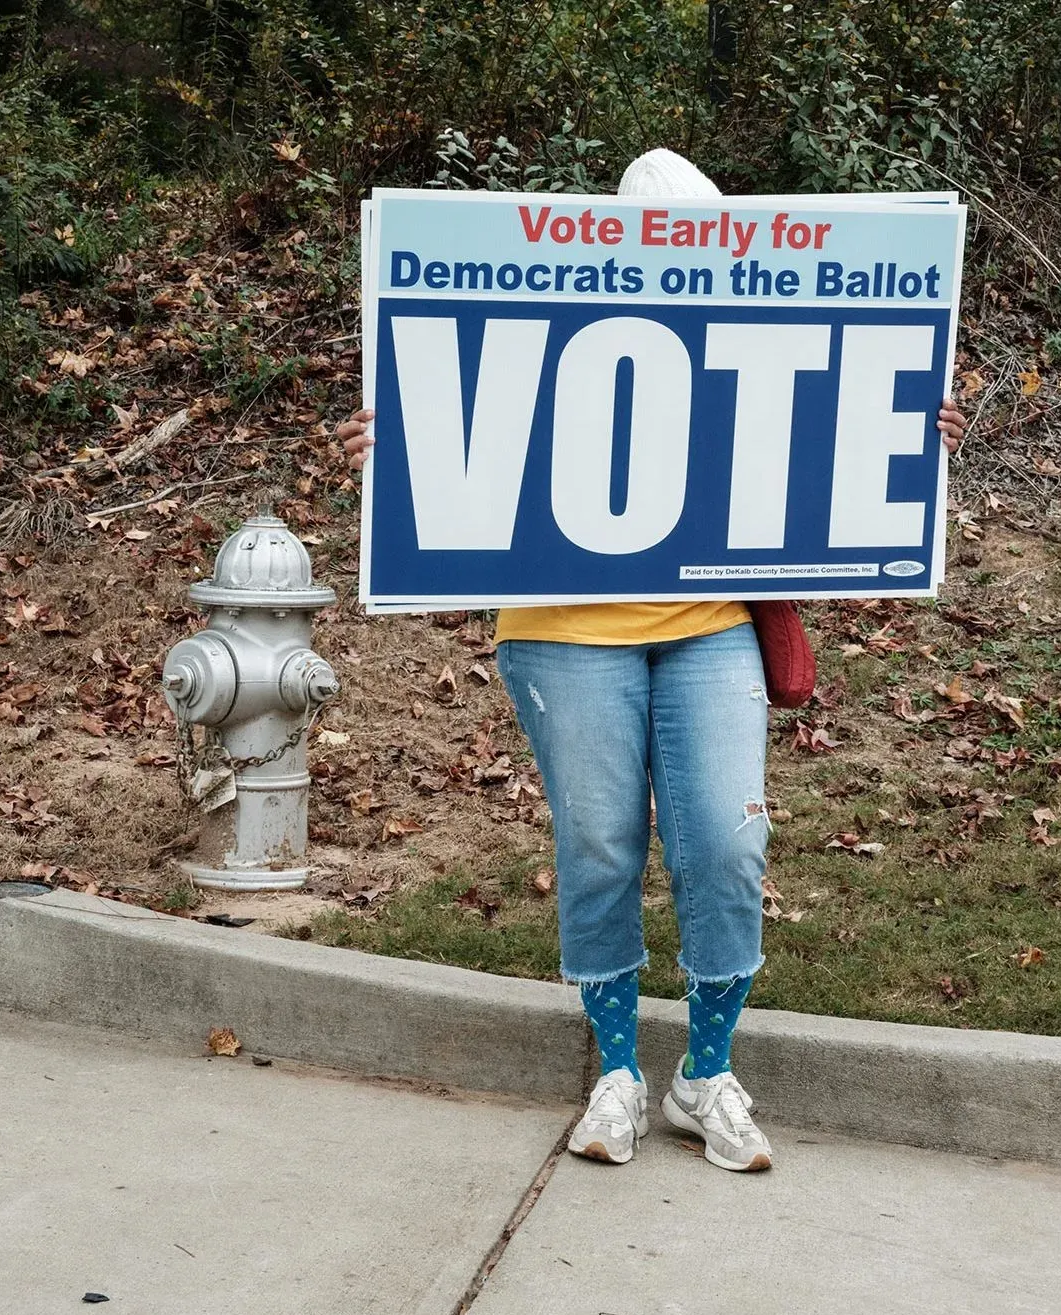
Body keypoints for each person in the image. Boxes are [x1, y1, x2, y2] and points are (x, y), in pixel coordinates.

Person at [340, 149, 966, 1172]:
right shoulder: (552, 312)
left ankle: (705, 1077)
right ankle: (619, 1074)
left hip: (711, 623)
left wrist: (907, 428)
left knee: (727, 845)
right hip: (561, 629)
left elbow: (818, 426)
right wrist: (396, 442)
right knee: (598, 850)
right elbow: (470, 423)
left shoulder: (749, 319)